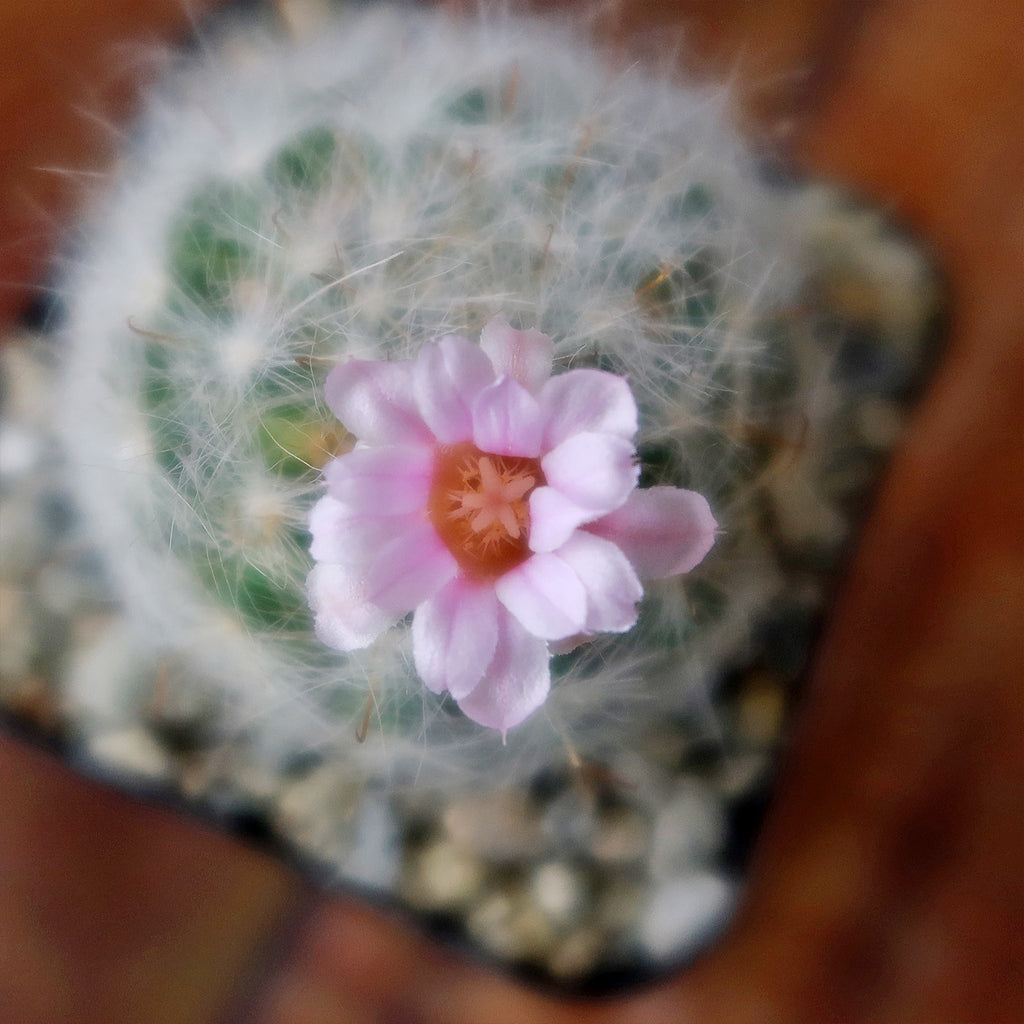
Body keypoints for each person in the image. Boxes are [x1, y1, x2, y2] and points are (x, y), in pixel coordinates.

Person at [1, 1, 1020, 1021]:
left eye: (497, 495)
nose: (491, 501)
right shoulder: (397, 539)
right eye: (482, 497)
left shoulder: (592, 465)